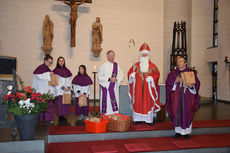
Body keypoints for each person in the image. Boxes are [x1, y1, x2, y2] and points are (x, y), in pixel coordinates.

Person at [165, 56, 200, 139]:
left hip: (188, 98)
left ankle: (186, 132)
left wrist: (190, 86)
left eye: (181, 61)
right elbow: (168, 84)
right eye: (178, 61)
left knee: (187, 113)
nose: (179, 63)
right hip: (176, 98)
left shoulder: (190, 73)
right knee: (176, 113)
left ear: (185, 63)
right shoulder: (172, 73)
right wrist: (175, 81)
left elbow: (197, 84)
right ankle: (178, 132)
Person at [128, 43, 161, 125]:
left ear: (149, 55)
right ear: (140, 55)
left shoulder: (153, 66)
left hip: (148, 91)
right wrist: (131, 76)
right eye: (143, 54)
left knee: (148, 103)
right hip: (138, 90)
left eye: (146, 54)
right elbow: (129, 73)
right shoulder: (135, 66)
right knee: (138, 103)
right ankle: (137, 119)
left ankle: (148, 120)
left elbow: (157, 74)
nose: (144, 56)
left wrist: (152, 79)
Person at [98, 50, 124, 115]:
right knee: (107, 102)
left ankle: (114, 114)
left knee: (114, 101)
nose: (112, 57)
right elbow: (99, 77)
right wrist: (109, 79)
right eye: (110, 55)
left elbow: (121, 74)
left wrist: (116, 79)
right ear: (107, 56)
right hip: (106, 88)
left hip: (114, 88)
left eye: (113, 55)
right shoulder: (103, 66)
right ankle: (106, 115)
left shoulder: (116, 66)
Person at [32, 55, 55, 125]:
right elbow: (40, 77)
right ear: (45, 61)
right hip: (40, 91)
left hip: (47, 91)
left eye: (51, 63)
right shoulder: (40, 68)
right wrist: (49, 74)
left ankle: (49, 120)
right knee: (41, 106)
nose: (50, 64)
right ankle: (41, 119)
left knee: (49, 107)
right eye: (49, 62)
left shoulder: (47, 69)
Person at [53, 57, 72, 124]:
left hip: (66, 90)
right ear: (58, 62)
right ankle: (60, 116)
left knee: (65, 104)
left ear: (64, 62)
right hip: (59, 90)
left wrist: (69, 87)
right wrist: (63, 88)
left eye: (62, 61)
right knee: (59, 104)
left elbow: (69, 80)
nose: (61, 62)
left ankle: (63, 115)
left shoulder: (67, 70)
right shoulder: (55, 70)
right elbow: (56, 81)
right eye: (60, 61)